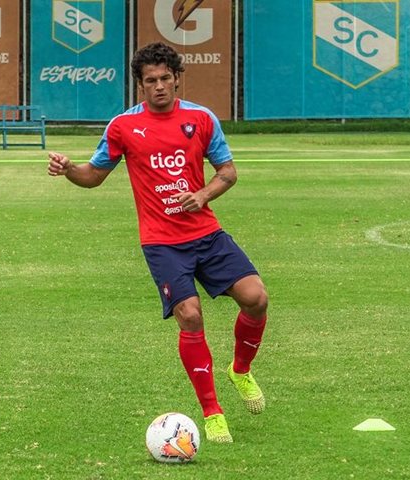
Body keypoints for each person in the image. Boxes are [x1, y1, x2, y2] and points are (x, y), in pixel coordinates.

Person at [47, 42, 268, 443]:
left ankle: (239, 370)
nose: (160, 86)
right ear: (140, 85)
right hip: (162, 243)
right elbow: (93, 176)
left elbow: (229, 172)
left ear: (178, 78)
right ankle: (212, 412)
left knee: (256, 298)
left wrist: (202, 195)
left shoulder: (201, 119)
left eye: (166, 78)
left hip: (207, 233)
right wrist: (68, 170)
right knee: (190, 314)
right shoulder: (122, 127)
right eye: (151, 81)